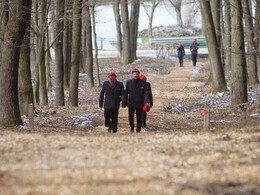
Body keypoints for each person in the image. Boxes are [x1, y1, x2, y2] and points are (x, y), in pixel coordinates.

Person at [123, 68, 149, 133]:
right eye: (134, 74)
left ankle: (138, 129)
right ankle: (132, 127)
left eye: (137, 74)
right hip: (131, 103)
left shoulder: (143, 82)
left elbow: (146, 93)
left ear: (139, 75)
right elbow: (126, 93)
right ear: (132, 75)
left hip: (140, 103)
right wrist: (124, 102)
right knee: (130, 117)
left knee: (139, 117)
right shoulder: (128, 82)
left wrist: (146, 102)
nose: (136, 75)